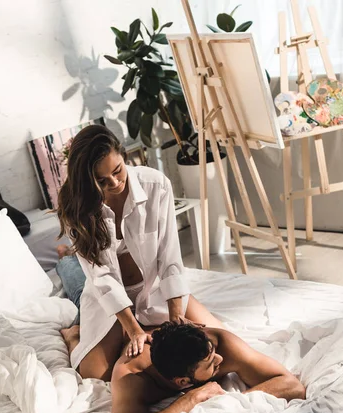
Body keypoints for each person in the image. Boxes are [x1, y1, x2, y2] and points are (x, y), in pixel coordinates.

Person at [57, 124, 223, 381]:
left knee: (217, 337)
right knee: (95, 375)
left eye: (117, 171)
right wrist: (134, 330)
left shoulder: (156, 185)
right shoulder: (78, 208)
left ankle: (68, 257)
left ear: (123, 156)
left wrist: (176, 321)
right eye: (101, 181)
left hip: (152, 288)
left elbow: (170, 257)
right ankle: (74, 333)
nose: (114, 183)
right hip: (109, 296)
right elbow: (102, 279)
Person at [109, 322, 306, 413]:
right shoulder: (133, 375)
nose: (221, 359)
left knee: (209, 319)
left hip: (155, 312)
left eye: (213, 353)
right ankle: (76, 332)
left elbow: (293, 386)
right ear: (183, 381)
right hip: (119, 324)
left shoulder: (218, 343)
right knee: (93, 370)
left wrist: (235, 401)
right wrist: (191, 399)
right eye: (211, 363)